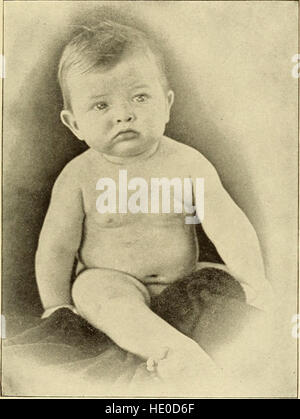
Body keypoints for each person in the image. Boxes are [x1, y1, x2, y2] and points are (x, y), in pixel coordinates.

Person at [35, 20, 271, 381]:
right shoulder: (78, 176)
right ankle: (174, 352)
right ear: (74, 124)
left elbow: (228, 223)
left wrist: (254, 280)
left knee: (221, 287)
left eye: (140, 97)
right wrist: (56, 307)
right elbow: (55, 247)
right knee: (99, 296)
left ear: (167, 104)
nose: (123, 114)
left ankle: (187, 340)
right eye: (100, 105)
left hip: (182, 282)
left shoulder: (187, 162)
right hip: (111, 280)